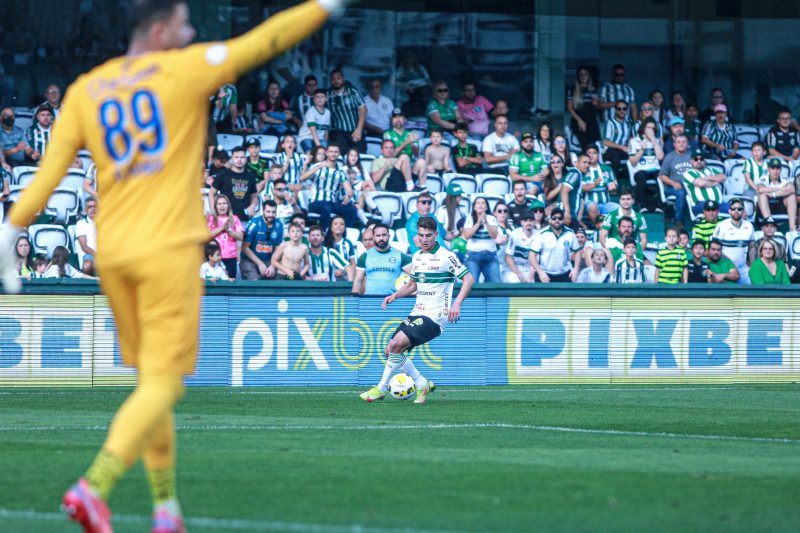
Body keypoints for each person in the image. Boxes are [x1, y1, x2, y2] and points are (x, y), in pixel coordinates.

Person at [0, 4, 347, 532]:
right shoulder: (183, 68)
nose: (191, 33)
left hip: (113, 254)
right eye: (185, 24)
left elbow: (50, 172)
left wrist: (11, 228)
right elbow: (266, 41)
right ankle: (94, 486)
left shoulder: (88, 88)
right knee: (167, 383)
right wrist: (324, 5)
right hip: (167, 251)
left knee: (149, 382)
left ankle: (166, 509)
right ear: (160, 31)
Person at [360, 216, 475, 403]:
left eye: (428, 235)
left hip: (436, 316)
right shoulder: (417, 256)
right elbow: (413, 284)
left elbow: (469, 279)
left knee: (397, 344)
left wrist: (457, 304)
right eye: (421, 235)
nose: (424, 239)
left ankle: (380, 388)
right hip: (418, 311)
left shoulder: (447, 256)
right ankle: (422, 384)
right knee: (390, 351)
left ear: (436, 235)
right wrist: (395, 296)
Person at [303, 144, 357, 231]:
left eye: (335, 152)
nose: (333, 154)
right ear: (327, 153)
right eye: (331, 151)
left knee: (352, 209)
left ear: (339, 153)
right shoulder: (318, 166)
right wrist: (318, 167)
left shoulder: (341, 172)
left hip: (332, 203)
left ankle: (344, 233)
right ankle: (323, 233)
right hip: (316, 202)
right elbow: (302, 178)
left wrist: (348, 196)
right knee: (326, 207)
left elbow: (350, 190)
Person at [352, 223, 411, 295]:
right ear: (373, 237)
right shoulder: (364, 256)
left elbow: (415, 277)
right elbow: (358, 281)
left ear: (389, 236)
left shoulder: (400, 255)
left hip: (392, 301)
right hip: (369, 301)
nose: (381, 238)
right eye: (378, 235)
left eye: (384, 235)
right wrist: (354, 297)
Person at [528, 207, 579, 283]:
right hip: (545, 274)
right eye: (554, 218)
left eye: (560, 218)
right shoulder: (542, 234)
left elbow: (577, 252)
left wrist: (576, 269)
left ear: (563, 220)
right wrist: (540, 272)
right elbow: (531, 255)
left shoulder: (570, 233)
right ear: (550, 220)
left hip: (564, 274)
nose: (557, 220)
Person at [209, 146, 259, 222]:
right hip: (226, 218)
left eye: (242, 157)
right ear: (232, 159)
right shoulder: (223, 174)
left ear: (246, 159)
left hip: (244, 219)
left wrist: (253, 206)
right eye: (236, 157)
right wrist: (214, 211)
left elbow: (254, 195)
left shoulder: (250, 175)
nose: (239, 160)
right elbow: (212, 193)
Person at [711, 198, 755, 284]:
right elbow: (714, 247)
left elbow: (752, 247)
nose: (736, 211)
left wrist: (752, 264)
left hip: (743, 268)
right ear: (729, 211)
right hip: (724, 268)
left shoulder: (749, 226)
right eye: (733, 209)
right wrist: (729, 265)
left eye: (739, 209)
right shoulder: (721, 225)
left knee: (750, 292)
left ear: (743, 211)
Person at [240, 200, 284, 280]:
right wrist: (260, 264)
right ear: (263, 211)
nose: (271, 215)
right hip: (250, 260)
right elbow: (244, 248)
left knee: (280, 279)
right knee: (255, 283)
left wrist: (272, 265)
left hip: (269, 260)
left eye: (273, 212)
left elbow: (278, 249)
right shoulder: (254, 223)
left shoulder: (279, 225)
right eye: (268, 212)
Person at [628, 117, 664, 213]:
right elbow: (633, 162)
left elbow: (660, 157)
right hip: (640, 170)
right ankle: (641, 204)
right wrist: (642, 150)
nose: (650, 130)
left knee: (661, 176)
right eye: (648, 128)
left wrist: (654, 142)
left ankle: (660, 204)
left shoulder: (657, 140)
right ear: (643, 128)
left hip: (655, 169)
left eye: (653, 128)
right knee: (641, 176)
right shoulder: (634, 141)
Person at [327, 68, 366, 153]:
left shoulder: (352, 91)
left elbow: (363, 110)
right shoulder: (327, 94)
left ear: (343, 79)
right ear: (330, 81)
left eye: (338, 78)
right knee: (341, 152)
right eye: (333, 79)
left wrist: (359, 129)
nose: (336, 81)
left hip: (354, 129)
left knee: (359, 152)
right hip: (338, 131)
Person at [462, 196, 500, 283]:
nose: (480, 205)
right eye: (478, 203)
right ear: (474, 207)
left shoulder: (492, 218)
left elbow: (494, 235)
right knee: (471, 285)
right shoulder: (469, 219)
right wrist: (479, 222)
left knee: (496, 283)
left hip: (490, 255)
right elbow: (467, 235)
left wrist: (486, 221)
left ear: (486, 207)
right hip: (473, 256)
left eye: (483, 203)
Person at [207, 193, 244, 279]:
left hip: (230, 257)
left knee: (230, 282)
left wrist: (229, 230)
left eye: (224, 203)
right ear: (215, 206)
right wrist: (222, 228)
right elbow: (207, 236)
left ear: (228, 206)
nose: (222, 206)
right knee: (215, 282)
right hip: (214, 257)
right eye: (219, 204)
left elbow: (241, 237)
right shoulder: (211, 218)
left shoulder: (234, 218)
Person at [755, 157, 797, 231]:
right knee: (762, 195)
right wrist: (780, 188)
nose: (775, 171)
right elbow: (761, 189)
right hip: (766, 207)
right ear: (769, 169)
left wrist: (773, 194)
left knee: (792, 196)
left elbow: (792, 189)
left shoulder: (784, 179)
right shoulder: (763, 178)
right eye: (773, 168)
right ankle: (769, 225)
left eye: (777, 168)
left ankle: (792, 228)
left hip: (780, 206)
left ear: (780, 170)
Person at [684, 149, 729, 216]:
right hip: (701, 204)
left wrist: (708, 178)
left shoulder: (711, 170)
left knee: (737, 208)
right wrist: (715, 182)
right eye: (696, 159)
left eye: (701, 159)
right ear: (691, 161)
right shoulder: (689, 172)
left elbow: (723, 177)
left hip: (719, 204)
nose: (699, 161)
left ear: (704, 160)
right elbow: (701, 183)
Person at [566, 66, 601, 149]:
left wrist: (596, 103)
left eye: (585, 74)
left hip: (592, 120)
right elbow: (570, 108)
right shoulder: (572, 89)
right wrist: (580, 121)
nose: (583, 76)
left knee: (595, 145)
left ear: (589, 76)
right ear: (578, 76)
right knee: (585, 145)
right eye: (581, 74)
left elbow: (597, 107)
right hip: (578, 120)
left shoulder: (593, 89)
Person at [582, 145, 619, 224]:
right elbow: (582, 188)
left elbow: (614, 189)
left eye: (594, 153)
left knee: (620, 210)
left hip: (605, 204)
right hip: (588, 205)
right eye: (589, 153)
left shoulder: (607, 168)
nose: (591, 155)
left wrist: (613, 187)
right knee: (593, 206)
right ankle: (599, 230)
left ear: (598, 155)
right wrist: (595, 184)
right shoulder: (583, 169)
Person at [601, 99, 634, 175]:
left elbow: (631, 139)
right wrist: (622, 147)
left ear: (627, 111)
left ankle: (630, 181)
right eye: (619, 109)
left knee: (635, 156)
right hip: (609, 150)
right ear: (615, 110)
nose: (622, 111)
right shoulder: (609, 123)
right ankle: (614, 182)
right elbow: (605, 142)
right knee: (615, 156)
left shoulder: (629, 124)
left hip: (624, 150)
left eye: (624, 109)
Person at [503, 209, 536, 283]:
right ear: (521, 222)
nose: (528, 223)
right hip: (514, 269)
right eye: (525, 220)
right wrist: (519, 275)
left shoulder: (538, 236)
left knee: (533, 282)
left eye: (531, 220)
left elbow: (537, 260)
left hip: (530, 269)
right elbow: (508, 257)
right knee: (515, 280)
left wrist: (530, 278)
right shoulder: (514, 234)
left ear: (534, 222)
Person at [560, 153, 589, 228]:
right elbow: (564, 190)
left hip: (572, 215)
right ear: (577, 163)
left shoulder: (579, 174)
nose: (587, 165)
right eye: (584, 162)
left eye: (588, 163)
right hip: (567, 215)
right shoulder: (575, 173)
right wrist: (567, 211)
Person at [75, 196, 98, 275]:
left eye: (95, 206)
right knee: (87, 265)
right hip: (89, 255)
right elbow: (84, 246)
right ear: (85, 210)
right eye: (90, 207)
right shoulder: (81, 224)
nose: (93, 209)